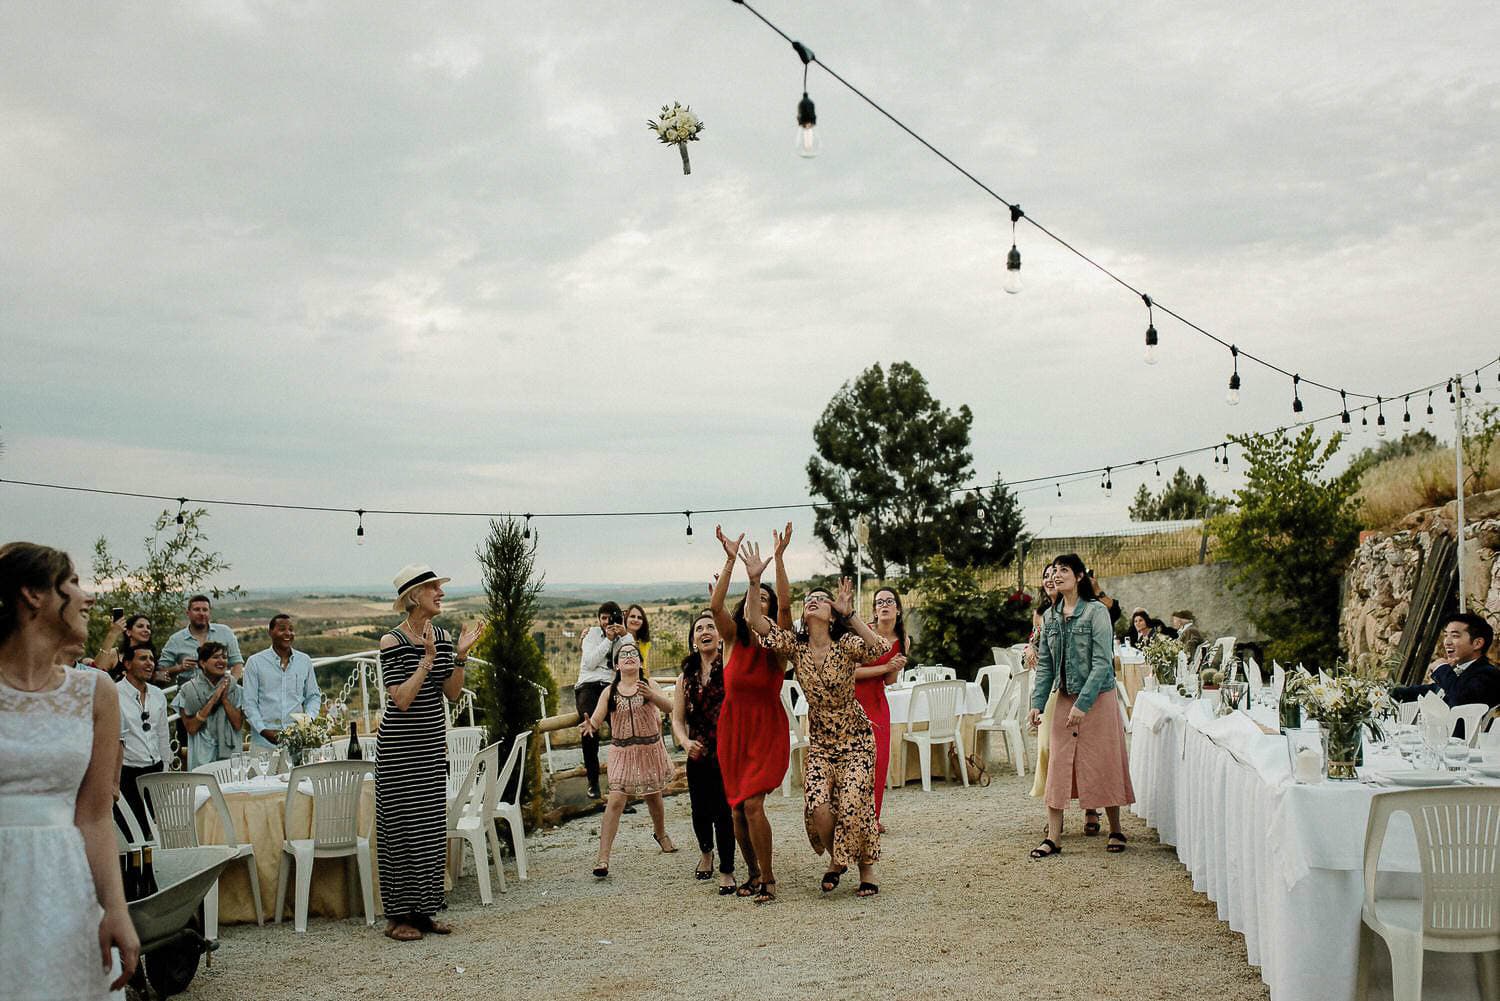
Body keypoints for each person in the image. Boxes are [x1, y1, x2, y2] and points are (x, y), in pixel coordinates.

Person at [0, 542, 139, 997]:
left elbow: (96, 814)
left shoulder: (95, 692)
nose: (87, 596)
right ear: (33, 595)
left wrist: (115, 909)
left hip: (65, 885)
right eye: (74, 581)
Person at [747, 563, 890, 899]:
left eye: (821, 600)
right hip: (823, 743)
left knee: (856, 802)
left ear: (832, 614)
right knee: (818, 806)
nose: (813, 601)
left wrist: (851, 614)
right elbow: (755, 621)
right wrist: (754, 581)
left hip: (855, 739)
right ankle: (838, 859)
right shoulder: (796, 647)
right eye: (809, 599)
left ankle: (864, 868)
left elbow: (879, 647)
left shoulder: (847, 644)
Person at [376, 565, 484, 943]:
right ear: (413, 596)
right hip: (399, 749)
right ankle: (397, 918)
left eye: (439, 587)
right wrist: (425, 661)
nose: (440, 592)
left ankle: (424, 913)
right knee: (401, 829)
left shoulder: (438, 634)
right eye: (433, 588)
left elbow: (452, 693)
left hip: (429, 744)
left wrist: (460, 656)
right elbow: (402, 699)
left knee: (426, 829)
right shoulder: (391, 642)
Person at [1027, 554, 1134, 859]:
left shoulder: (1096, 613)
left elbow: (1102, 664)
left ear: (1078, 576)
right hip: (1064, 697)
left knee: (1103, 760)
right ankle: (1053, 837)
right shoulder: (1049, 617)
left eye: (1064, 570)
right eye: (1054, 571)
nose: (1057, 575)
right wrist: (1038, 704)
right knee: (1058, 763)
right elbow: (1046, 664)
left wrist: (1083, 705)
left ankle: (1115, 828)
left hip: (1098, 698)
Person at [710, 524, 793, 903]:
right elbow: (715, 607)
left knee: (753, 804)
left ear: (769, 610)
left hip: (765, 730)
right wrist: (732, 562)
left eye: (762, 600)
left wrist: (773, 565)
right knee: (737, 813)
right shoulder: (732, 639)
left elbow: (788, 610)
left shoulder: (777, 648)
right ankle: (752, 872)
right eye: (751, 597)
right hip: (734, 731)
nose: (755, 603)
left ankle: (770, 878)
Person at [581, 637, 677, 876]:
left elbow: (670, 707)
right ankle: (603, 858)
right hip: (622, 752)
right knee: (615, 800)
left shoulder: (649, 684)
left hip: (649, 748)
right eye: (623, 655)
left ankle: (661, 833)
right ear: (616, 666)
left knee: (653, 795)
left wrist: (652, 696)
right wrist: (591, 726)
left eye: (633, 653)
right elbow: (597, 717)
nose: (628, 657)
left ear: (640, 662)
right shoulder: (609, 691)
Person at [671, 611, 737, 893]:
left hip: (727, 750)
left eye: (711, 626)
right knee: (700, 810)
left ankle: (727, 869)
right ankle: (706, 853)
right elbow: (676, 718)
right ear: (693, 638)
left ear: (720, 635)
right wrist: (685, 744)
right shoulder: (684, 677)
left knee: (724, 810)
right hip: (697, 752)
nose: (705, 631)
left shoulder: (731, 666)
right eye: (699, 628)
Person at [1390, 613, 1500, 735]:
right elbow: (1431, 691)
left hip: (1461, 749)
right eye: (1446, 635)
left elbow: (1460, 698)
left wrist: (1441, 668)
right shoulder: (1460, 671)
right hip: (1437, 742)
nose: (1447, 642)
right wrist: (1386, 693)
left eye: (1455, 636)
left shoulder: (1488, 674)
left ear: (1477, 643)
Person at [854, 587, 907, 832]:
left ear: (897, 607)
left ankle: (872, 818)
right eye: (879, 602)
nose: (884, 605)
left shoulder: (903, 639)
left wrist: (894, 667)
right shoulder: (865, 632)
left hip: (878, 702)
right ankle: (854, 816)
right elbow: (851, 672)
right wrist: (886, 667)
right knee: (856, 761)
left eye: (889, 601)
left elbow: (890, 681)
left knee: (879, 760)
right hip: (854, 702)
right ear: (875, 610)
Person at [242, 614, 320, 750]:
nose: (288, 633)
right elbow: (249, 703)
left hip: (297, 742)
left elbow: (313, 696)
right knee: (262, 772)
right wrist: (263, 731)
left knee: (298, 772)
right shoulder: (255, 663)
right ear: (270, 632)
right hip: (263, 743)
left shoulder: (304, 661)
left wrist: (307, 721)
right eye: (282, 629)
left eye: (291, 629)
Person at [116, 643, 170, 831]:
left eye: (152, 659)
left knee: (156, 830)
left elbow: (163, 733)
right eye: (143, 658)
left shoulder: (157, 695)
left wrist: (166, 768)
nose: (150, 663)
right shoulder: (114, 694)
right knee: (130, 832)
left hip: (155, 771)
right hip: (127, 774)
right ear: (127, 664)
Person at [576, 601, 626, 800]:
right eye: (604, 618)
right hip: (588, 686)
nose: (607, 622)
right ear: (599, 619)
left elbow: (624, 662)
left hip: (610, 686)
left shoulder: (622, 637)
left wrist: (621, 637)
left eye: (611, 618)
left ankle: (620, 787)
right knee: (589, 728)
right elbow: (589, 662)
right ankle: (593, 781)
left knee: (621, 730)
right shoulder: (592, 635)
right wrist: (607, 639)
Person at [174, 641, 245, 770]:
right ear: (202, 663)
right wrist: (213, 700)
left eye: (224, 657)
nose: (221, 661)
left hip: (231, 757)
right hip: (201, 757)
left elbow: (237, 724)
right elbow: (191, 727)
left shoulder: (235, 689)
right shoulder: (188, 690)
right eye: (215, 657)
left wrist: (224, 699)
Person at [1027, 568, 1061, 802]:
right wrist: (1028, 649)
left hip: (1069, 685)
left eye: (1054, 574)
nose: (1049, 579)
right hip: (1047, 684)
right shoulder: (1041, 613)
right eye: (1045, 575)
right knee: (1046, 748)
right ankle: (1052, 801)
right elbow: (1033, 641)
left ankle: (1091, 808)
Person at [157, 594, 243, 684]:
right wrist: (180, 668)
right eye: (197, 609)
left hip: (220, 692)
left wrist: (229, 687)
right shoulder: (176, 640)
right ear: (188, 613)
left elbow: (237, 663)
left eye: (205, 610)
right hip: (189, 695)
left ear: (209, 612)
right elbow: (159, 674)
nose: (201, 613)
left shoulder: (225, 632)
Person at [94, 612, 152, 679]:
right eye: (140, 626)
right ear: (128, 632)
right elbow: (95, 672)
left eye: (148, 627)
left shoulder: (151, 657)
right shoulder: (115, 654)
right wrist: (113, 633)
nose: (146, 630)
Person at [624, 603, 653, 672]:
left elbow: (646, 669)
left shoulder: (645, 643)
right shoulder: (619, 640)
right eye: (632, 616)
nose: (636, 620)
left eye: (639, 618)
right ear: (625, 618)